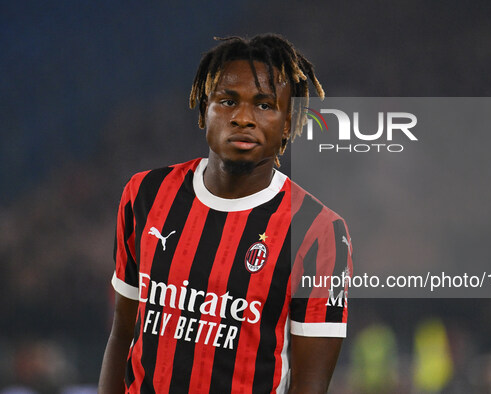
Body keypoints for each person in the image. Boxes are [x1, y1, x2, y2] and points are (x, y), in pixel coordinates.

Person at [98, 34, 352, 394]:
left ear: (287, 124)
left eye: (264, 105)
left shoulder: (319, 230)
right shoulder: (145, 194)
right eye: (228, 101)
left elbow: (310, 383)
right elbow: (122, 332)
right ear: (205, 110)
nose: (243, 118)